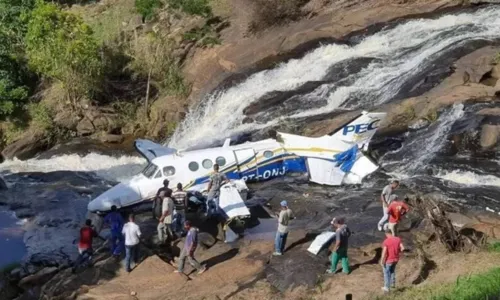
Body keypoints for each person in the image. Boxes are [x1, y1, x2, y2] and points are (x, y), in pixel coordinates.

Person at [380, 227, 405, 292]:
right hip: (396, 259)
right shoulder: (397, 239)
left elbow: (384, 252)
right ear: (391, 232)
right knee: (392, 271)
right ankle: (392, 284)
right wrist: (398, 251)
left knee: (386, 273)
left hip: (389, 260)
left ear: (386, 234)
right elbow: (402, 248)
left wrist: (382, 260)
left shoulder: (386, 241)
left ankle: (386, 287)